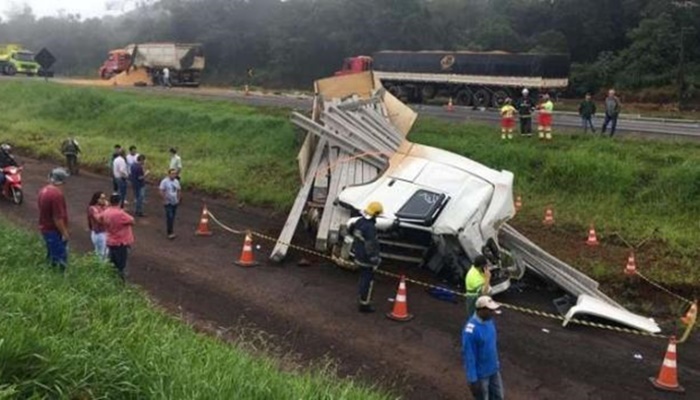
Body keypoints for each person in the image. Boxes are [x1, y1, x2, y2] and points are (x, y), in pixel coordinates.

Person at [462, 296, 504, 400]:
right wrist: (472, 379)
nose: (493, 313)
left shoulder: (489, 321)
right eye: (490, 310)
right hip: (481, 376)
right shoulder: (470, 331)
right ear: (481, 310)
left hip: (493, 369)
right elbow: (469, 356)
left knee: (499, 396)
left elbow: (492, 345)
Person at [350, 201, 383, 313]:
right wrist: (375, 260)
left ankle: (361, 297)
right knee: (368, 281)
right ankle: (364, 304)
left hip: (358, 255)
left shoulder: (359, 222)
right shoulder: (370, 228)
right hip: (366, 259)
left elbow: (352, 232)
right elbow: (370, 245)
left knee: (362, 278)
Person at [37, 168, 70, 271]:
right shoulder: (57, 195)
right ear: (62, 181)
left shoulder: (44, 190)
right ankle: (59, 279)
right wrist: (65, 233)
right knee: (60, 256)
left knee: (51, 254)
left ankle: (49, 274)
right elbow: (57, 218)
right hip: (53, 230)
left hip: (46, 228)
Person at [100, 193, 135, 280]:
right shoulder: (120, 213)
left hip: (111, 241)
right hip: (121, 242)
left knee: (113, 264)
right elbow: (132, 221)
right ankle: (121, 284)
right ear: (119, 202)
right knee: (122, 266)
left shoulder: (106, 212)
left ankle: (113, 281)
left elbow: (100, 219)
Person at [159, 168, 182, 239]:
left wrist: (178, 199)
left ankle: (171, 229)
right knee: (170, 216)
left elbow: (178, 190)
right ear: (169, 174)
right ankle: (170, 232)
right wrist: (164, 199)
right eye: (172, 173)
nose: (174, 175)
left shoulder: (176, 181)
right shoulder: (164, 181)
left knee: (172, 217)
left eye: (175, 174)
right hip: (168, 202)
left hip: (174, 201)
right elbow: (161, 190)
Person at [87, 191, 108, 260]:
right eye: (102, 198)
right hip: (99, 234)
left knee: (103, 253)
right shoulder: (92, 208)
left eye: (104, 198)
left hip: (104, 232)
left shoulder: (103, 207)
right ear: (96, 199)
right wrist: (106, 209)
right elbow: (99, 220)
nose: (104, 200)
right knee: (102, 254)